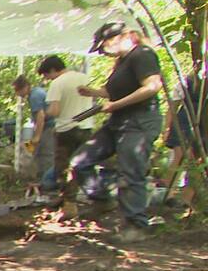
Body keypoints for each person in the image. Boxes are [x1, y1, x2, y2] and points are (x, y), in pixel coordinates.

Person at [68, 22, 164, 242]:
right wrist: (92, 92)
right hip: (117, 121)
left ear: (122, 37)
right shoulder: (121, 62)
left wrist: (116, 104)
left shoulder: (143, 54)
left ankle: (136, 225)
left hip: (139, 121)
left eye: (104, 47)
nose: (103, 52)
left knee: (130, 172)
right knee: (80, 161)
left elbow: (152, 86)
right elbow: (112, 91)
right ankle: (102, 199)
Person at [36, 55, 96, 193]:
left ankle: (67, 201)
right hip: (86, 127)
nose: (48, 79)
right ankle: (95, 196)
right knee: (84, 165)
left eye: (47, 75)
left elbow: (55, 110)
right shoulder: (84, 78)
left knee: (62, 167)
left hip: (66, 129)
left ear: (52, 70)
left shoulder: (57, 83)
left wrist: (45, 114)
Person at [158, 71, 202, 205]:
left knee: (197, 159)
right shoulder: (188, 80)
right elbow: (173, 105)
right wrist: (167, 127)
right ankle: (167, 194)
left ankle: (186, 200)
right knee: (180, 155)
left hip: (204, 121)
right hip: (185, 119)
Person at [13, 75, 56, 191]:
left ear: (25, 87)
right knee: (36, 152)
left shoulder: (35, 96)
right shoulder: (36, 92)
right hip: (44, 128)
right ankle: (41, 181)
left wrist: (37, 136)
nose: (18, 94)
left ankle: (48, 185)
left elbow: (40, 116)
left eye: (18, 91)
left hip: (48, 128)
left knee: (46, 155)